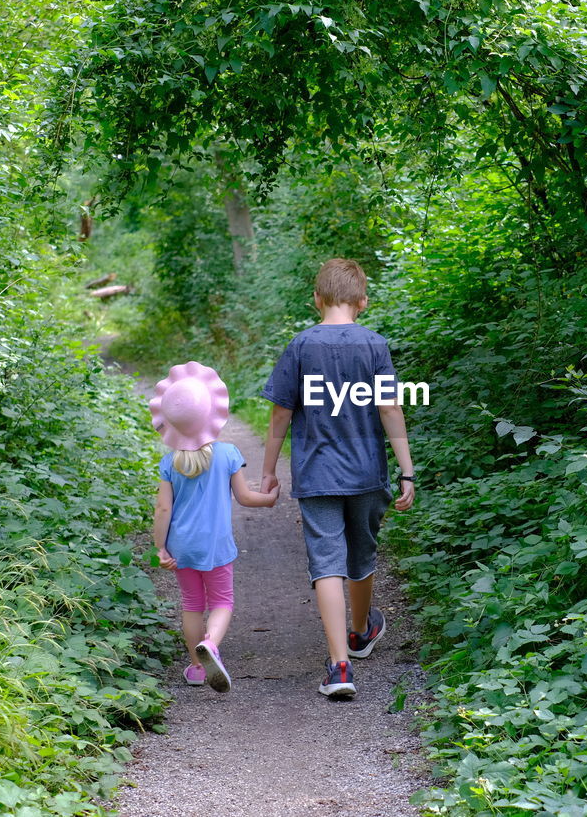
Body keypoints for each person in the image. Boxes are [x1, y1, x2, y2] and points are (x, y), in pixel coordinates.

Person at [260, 258, 415, 698]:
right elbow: (390, 409)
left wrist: (269, 470)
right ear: (362, 301)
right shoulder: (375, 345)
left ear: (317, 299)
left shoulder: (301, 345)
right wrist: (407, 470)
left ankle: (339, 667)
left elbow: (280, 412)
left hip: (317, 472)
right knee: (361, 554)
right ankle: (361, 630)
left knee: (326, 562)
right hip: (367, 471)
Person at [149, 361, 278, 693]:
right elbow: (246, 497)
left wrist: (160, 547)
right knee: (222, 601)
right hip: (217, 545)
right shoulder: (228, 454)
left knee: (192, 603)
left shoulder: (169, 463)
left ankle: (195, 665)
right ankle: (212, 645)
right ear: (213, 417)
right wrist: (270, 498)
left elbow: (164, 508)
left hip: (181, 547)